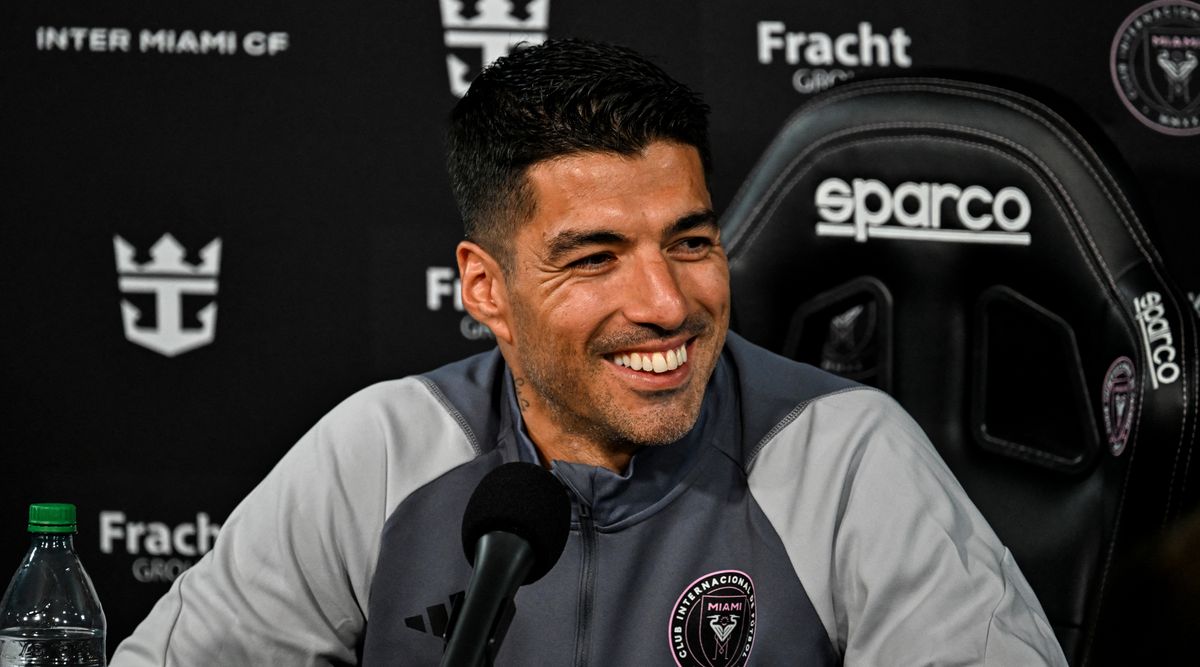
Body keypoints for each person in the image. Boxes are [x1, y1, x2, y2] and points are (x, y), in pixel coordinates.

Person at [112, 39, 1067, 666]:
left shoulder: (847, 454)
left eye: (691, 242)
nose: (666, 304)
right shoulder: (382, 452)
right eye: (596, 257)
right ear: (488, 288)